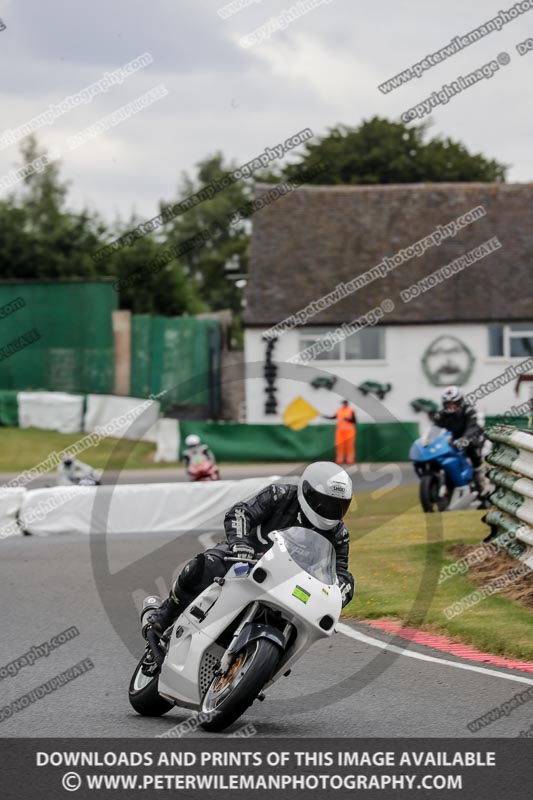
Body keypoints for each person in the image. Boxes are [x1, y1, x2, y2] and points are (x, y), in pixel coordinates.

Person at [146, 461, 355, 636]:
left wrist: (337, 600)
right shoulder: (279, 495)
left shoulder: (339, 533)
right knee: (205, 566)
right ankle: (165, 613)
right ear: (308, 492)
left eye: (340, 506)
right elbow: (240, 512)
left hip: (290, 585)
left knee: (304, 625)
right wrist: (240, 543)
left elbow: (342, 573)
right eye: (326, 503)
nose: (332, 511)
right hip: (245, 561)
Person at [431, 386, 489, 496]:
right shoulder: (441, 415)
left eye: (454, 403)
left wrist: (464, 439)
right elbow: (434, 428)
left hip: (472, 435)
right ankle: (446, 482)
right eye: (448, 403)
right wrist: (428, 440)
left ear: (460, 401)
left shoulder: (469, 411)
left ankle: (483, 483)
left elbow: (472, 427)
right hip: (453, 439)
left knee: (473, 452)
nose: (451, 406)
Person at [323, 400, 356, 466]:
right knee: (339, 445)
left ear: (347, 404)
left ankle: (350, 460)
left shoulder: (351, 410)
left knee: (349, 446)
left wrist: (348, 419)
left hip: (349, 431)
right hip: (340, 432)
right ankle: (340, 460)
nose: (344, 404)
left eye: (345, 403)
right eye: (343, 403)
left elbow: (354, 420)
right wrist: (326, 417)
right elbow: (334, 417)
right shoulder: (339, 410)